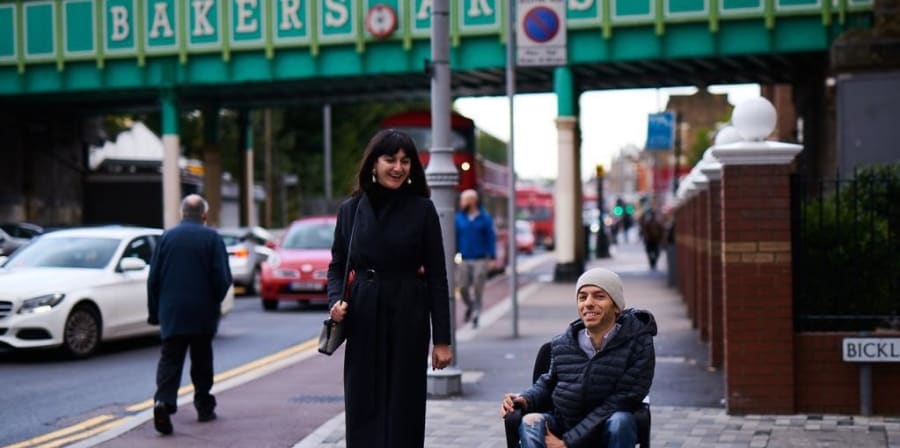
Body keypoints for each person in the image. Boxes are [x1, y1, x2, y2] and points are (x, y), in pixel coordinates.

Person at [327, 129, 453, 448]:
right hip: (364, 311)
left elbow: (438, 276)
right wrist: (334, 302)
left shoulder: (422, 209)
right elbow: (337, 264)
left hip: (409, 310)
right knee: (362, 398)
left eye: (405, 160)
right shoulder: (350, 210)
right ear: (373, 163)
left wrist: (442, 340)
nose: (398, 167)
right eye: (390, 160)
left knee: (404, 401)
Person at [500, 268, 656, 448]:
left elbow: (621, 400)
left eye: (599, 296)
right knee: (530, 422)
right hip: (565, 422)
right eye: (582, 297)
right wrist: (523, 399)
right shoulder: (563, 343)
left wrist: (568, 443)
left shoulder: (639, 343)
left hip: (606, 426)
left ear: (617, 307)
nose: (588, 303)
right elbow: (548, 383)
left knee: (621, 420)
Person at [147, 194, 233, 436]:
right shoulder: (212, 238)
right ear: (204, 215)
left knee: (170, 359)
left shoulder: (166, 238)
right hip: (202, 312)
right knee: (202, 360)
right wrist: (213, 301)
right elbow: (223, 279)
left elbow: (153, 279)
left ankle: (163, 402)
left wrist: (155, 313)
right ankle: (204, 406)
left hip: (172, 312)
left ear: (182, 213)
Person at [454, 188, 496, 328]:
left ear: (473, 201)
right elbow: (454, 237)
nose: (461, 203)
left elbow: (490, 238)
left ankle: (477, 313)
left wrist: (492, 257)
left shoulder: (484, 218)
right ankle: (471, 306)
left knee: (478, 287)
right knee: (463, 287)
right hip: (464, 258)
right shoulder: (458, 218)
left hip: (480, 259)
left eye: (464, 200)